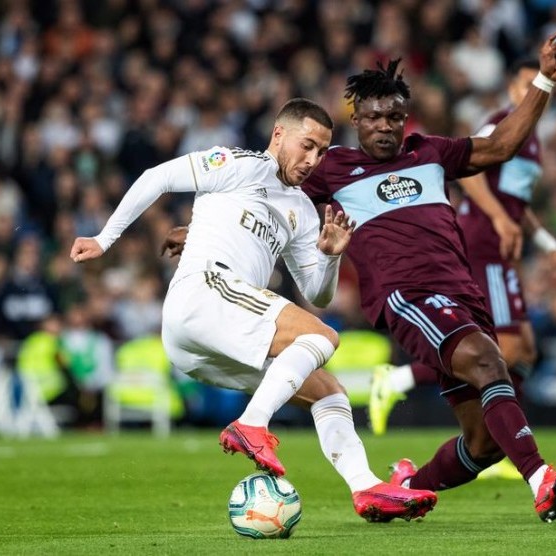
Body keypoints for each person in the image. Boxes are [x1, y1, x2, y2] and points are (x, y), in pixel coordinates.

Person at [70, 98, 437, 523]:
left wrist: (332, 256)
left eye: (321, 150)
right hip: (205, 291)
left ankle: (366, 488)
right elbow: (158, 177)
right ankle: (252, 424)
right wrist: (104, 239)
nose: (313, 159)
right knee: (323, 336)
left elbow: (317, 294)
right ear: (279, 134)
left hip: (203, 344)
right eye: (307, 145)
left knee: (328, 390)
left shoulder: (300, 209)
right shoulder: (240, 164)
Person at [302, 34, 556, 523]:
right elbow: (270, 190)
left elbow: (501, 145)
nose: (385, 127)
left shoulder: (428, 151)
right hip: (407, 295)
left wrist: (543, 81)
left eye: (394, 117)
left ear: (405, 117)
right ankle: (541, 479)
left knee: (484, 444)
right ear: (356, 121)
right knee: (489, 361)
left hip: (462, 292)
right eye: (374, 118)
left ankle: (405, 488)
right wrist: (200, 230)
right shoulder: (332, 169)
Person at [368, 59, 556, 464]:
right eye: (522, 86)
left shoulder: (532, 142)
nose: (528, 94)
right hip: (481, 243)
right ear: (513, 89)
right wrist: (499, 217)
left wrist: (549, 245)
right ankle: (403, 380)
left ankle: (498, 438)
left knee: (524, 350)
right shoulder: (499, 123)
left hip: (501, 247)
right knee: (508, 349)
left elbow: (518, 205)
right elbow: (471, 172)